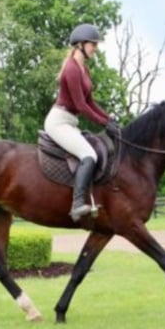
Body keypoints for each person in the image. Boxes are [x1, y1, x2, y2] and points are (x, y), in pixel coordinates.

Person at [44, 23, 120, 221]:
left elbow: (90, 102)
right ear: (80, 45)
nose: (95, 48)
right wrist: (103, 124)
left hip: (70, 121)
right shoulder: (71, 69)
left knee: (90, 151)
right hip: (58, 122)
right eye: (93, 44)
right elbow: (81, 105)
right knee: (89, 155)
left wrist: (109, 119)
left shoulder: (83, 68)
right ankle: (77, 204)